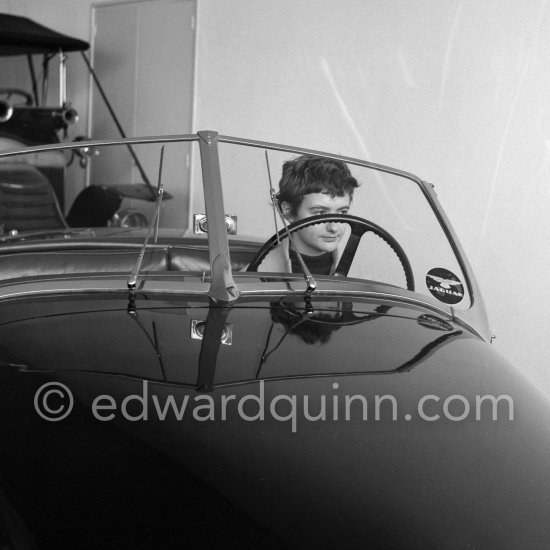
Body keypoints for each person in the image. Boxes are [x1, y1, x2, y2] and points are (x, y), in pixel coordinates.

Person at [258, 154, 359, 275]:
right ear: (288, 211)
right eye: (321, 213)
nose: (334, 227)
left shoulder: (357, 275)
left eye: (342, 212)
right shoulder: (259, 278)